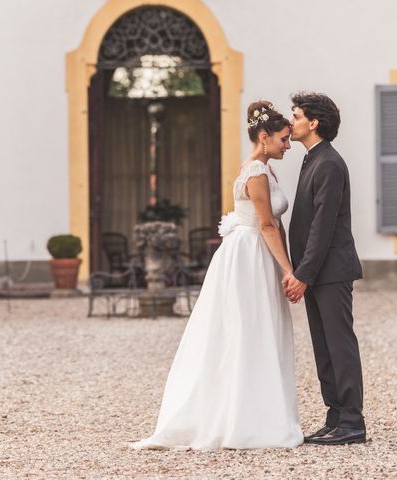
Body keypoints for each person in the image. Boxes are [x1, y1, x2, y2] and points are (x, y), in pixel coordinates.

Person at [131, 101, 303, 449]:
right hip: (249, 256)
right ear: (264, 137)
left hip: (260, 254)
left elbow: (274, 224)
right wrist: (290, 270)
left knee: (261, 329)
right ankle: (237, 418)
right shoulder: (255, 172)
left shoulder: (267, 170)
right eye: (284, 139)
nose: (288, 145)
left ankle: (258, 410)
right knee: (245, 329)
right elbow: (267, 225)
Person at [284, 92, 366, 445]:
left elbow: (323, 225)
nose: (291, 121)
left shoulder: (329, 163)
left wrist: (303, 274)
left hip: (330, 271)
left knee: (339, 344)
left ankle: (352, 422)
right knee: (323, 346)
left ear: (313, 122)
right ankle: (335, 416)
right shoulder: (312, 160)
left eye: (296, 115)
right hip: (317, 271)